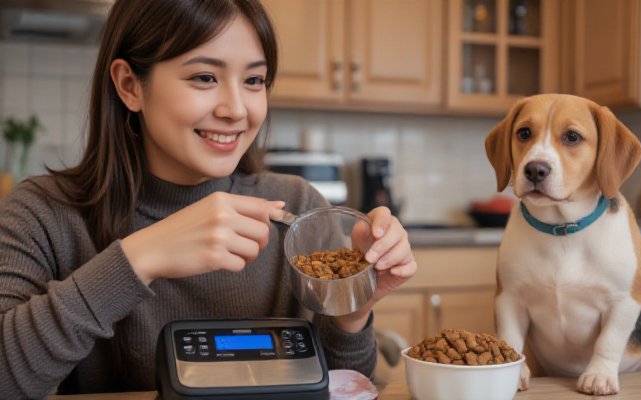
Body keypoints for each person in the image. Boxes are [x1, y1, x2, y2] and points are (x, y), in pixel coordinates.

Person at [0, 0, 417, 397]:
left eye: (254, 80)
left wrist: (351, 309)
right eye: (204, 77)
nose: (237, 109)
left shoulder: (299, 210)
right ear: (130, 86)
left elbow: (344, 385)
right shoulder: (44, 213)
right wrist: (141, 257)